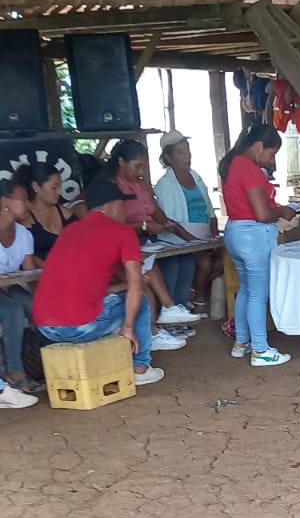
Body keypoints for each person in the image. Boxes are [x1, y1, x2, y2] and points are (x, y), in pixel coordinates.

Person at [33, 174, 168, 386]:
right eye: (123, 206)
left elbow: (86, 288)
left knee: (120, 300)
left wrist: (124, 287)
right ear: (113, 206)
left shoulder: (69, 231)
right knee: (139, 301)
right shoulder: (123, 233)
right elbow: (136, 286)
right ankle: (140, 368)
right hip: (78, 326)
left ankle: (115, 359)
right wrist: (128, 328)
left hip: (44, 326)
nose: (125, 212)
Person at [220, 123, 297, 367]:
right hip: (253, 237)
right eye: (271, 154)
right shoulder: (249, 169)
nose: (271, 160)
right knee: (258, 294)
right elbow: (262, 214)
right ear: (259, 146)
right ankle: (261, 350)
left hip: (234, 232)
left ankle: (241, 342)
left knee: (245, 289)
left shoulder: (232, 164)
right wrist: (283, 211)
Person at [108, 139, 198, 326]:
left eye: (144, 167)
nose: (141, 172)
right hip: (130, 242)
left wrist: (169, 226)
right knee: (170, 264)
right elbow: (114, 228)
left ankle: (178, 312)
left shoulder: (139, 187)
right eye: (137, 166)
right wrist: (143, 226)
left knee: (185, 258)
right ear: (121, 162)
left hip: (150, 239)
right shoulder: (112, 189)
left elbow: (157, 212)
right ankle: (166, 313)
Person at [154, 130, 222, 313]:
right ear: (168, 158)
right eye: (180, 152)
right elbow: (171, 223)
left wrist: (214, 237)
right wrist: (195, 243)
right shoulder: (165, 184)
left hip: (204, 238)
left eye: (188, 151)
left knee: (228, 256)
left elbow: (210, 211)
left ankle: (193, 290)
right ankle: (199, 298)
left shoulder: (196, 177)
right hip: (180, 240)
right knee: (205, 263)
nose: (187, 156)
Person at [0, 179, 40, 392]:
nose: (28, 204)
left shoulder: (24, 234)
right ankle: (15, 372)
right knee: (12, 310)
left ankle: (47, 364)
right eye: (22, 199)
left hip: (9, 288)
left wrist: (39, 304)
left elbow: (30, 274)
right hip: (6, 292)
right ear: (4, 202)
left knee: (37, 307)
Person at [14, 160, 82, 264]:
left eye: (60, 187)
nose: (59, 192)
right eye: (54, 187)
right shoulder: (24, 216)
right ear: (36, 186)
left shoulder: (64, 213)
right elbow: (23, 254)